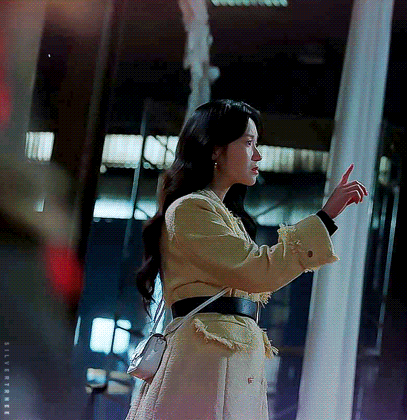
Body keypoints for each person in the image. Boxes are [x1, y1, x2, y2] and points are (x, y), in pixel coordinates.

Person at [125, 99, 368, 419]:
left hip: (220, 359)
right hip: (204, 364)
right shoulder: (190, 209)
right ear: (215, 150)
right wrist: (325, 217)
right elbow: (257, 270)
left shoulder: (221, 215)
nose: (258, 155)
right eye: (248, 143)